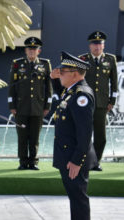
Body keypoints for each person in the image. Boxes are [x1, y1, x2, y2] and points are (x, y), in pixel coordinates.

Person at [51, 51, 98, 220]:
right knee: (75, 198)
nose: (60, 74)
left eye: (62, 72)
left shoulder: (81, 95)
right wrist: (54, 79)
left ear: (75, 74)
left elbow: (85, 132)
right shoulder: (72, 91)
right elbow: (61, 100)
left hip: (74, 158)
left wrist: (78, 160)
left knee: (78, 199)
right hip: (68, 155)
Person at [8, 37, 52, 170]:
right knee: (22, 137)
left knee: (35, 137)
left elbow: (48, 87)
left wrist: (47, 105)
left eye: (34, 49)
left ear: (39, 51)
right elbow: (12, 86)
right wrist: (12, 105)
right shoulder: (17, 64)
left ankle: (33, 162)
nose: (32, 51)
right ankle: (22, 162)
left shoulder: (45, 64)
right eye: (29, 49)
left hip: (38, 107)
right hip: (21, 107)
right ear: (26, 50)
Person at [78, 31, 118, 171]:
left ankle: (95, 162)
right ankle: (83, 161)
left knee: (101, 136)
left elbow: (114, 83)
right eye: (94, 44)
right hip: (85, 103)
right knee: (84, 134)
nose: (97, 47)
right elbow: (78, 81)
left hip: (102, 103)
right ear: (90, 46)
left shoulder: (110, 59)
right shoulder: (82, 59)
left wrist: (112, 100)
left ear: (103, 45)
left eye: (100, 44)